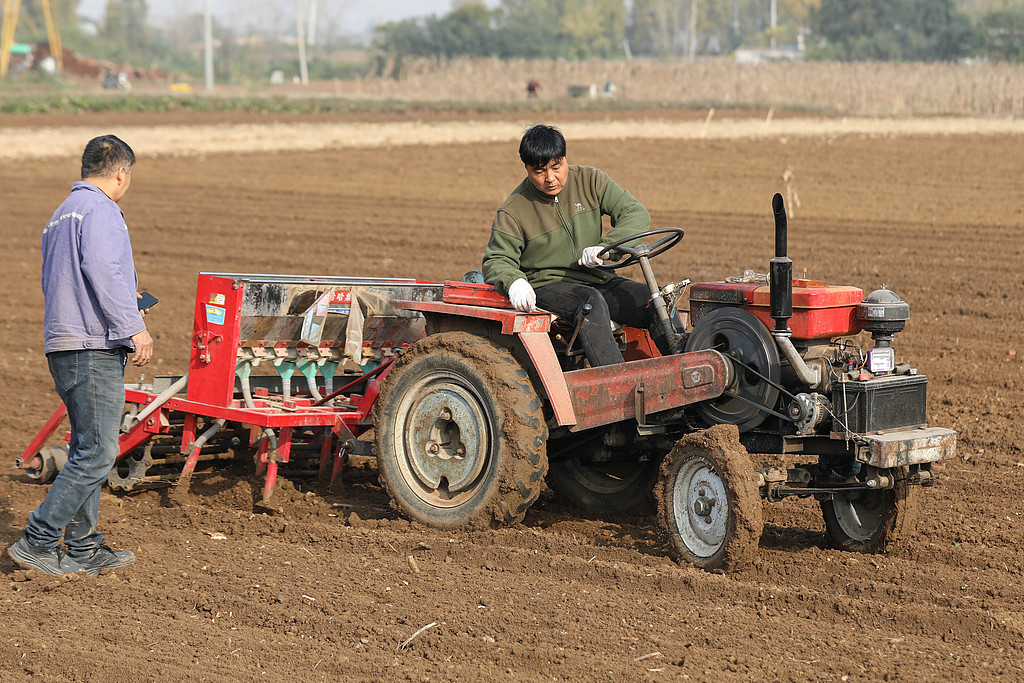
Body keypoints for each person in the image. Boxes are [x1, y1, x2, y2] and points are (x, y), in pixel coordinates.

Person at [7, 135, 154, 577]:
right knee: (99, 453)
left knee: (86, 450)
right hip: (92, 346)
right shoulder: (101, 210)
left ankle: (84, 547)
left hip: (65, 344)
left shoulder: (60, 216)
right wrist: (136, 327)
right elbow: (106, 273)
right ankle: (38, 539)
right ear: (121, 173)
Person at [482, 124, 673, 367]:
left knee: (652, 299)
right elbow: (497, 260)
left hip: (598, 277)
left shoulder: (590, 180)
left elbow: (635, 213)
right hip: (548, 285)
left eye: (556, 167)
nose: (550, 178)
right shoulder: (513, 210)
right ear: (527, 169)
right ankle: (617, 380)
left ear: (565, 159)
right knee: (589, 303)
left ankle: (688, 370)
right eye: (539, 171)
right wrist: (514, 282)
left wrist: (605, 248)